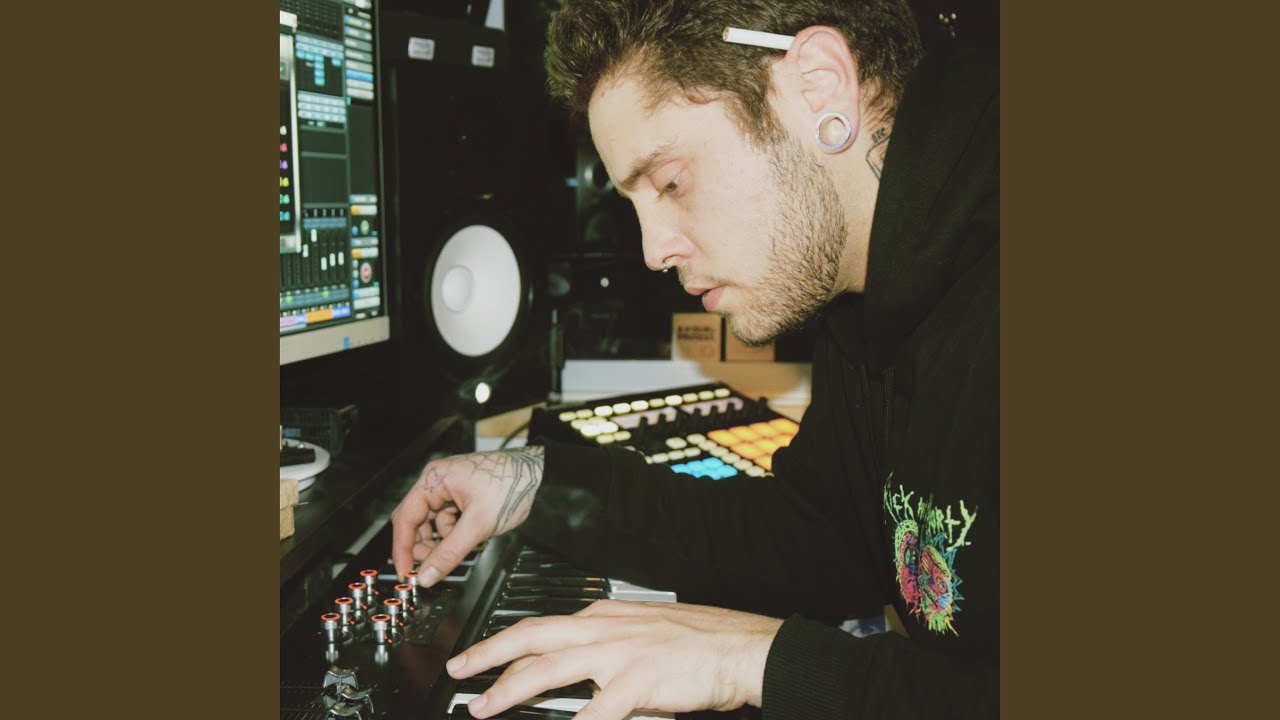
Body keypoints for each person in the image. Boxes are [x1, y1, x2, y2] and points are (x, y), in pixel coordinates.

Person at [391, 0, 999, 717]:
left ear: (818, 84)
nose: (654, 252)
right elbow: (818, 537)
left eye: (671, 182)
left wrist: (752, 661)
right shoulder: (862, 302)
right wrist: (535, 485)